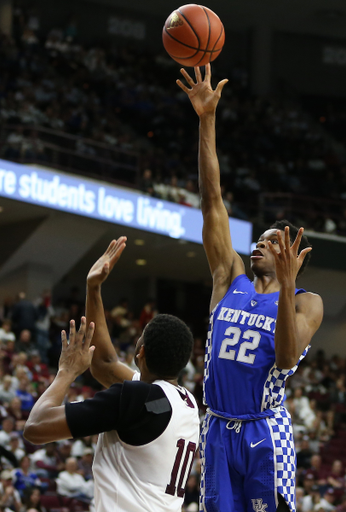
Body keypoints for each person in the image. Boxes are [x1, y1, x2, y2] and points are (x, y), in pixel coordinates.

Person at [177, 64, 324, 512]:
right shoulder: (229, 277)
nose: (259, 245)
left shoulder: (306, 302)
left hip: (265, 430)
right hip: (218, 427)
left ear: (293, 255)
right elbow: (212, 201)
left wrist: (287, 284)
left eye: (271, 242)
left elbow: (284, 357)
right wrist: (206, 120)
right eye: (258, 240)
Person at [24, 241, 199, 512]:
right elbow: (104, 364)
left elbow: (35, 428)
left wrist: (65, 373)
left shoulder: (137, 399)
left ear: (140, 352)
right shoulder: (184, 402)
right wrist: (94, 289)